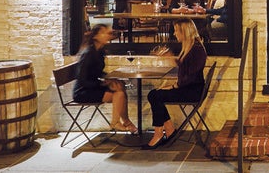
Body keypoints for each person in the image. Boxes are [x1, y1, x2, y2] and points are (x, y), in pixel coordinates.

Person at [146, 19, 208, 148]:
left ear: (184, 32)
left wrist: (174, 86)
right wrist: (170, 57)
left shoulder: (196, 50)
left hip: (193, 92)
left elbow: (190, 77)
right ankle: (168, 130)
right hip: (190, 88)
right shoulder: (192, 47)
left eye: (176, 30)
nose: (174, 34)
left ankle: (159, 133)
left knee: (155, 95)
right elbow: (186, 67)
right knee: (154, 94)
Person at [73, 24, 136, 133]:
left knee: (120, 86)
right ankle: (116, 123)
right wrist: (102, 83)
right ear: (95, 36)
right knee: (119, 93)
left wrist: (109, 79)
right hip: (83, 92)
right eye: (104, 33)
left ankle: (125, 122)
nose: (108, 35)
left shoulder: (100, 51)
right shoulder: (88, 54)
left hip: (92, 87)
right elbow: (82, 79)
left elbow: (97, 72)